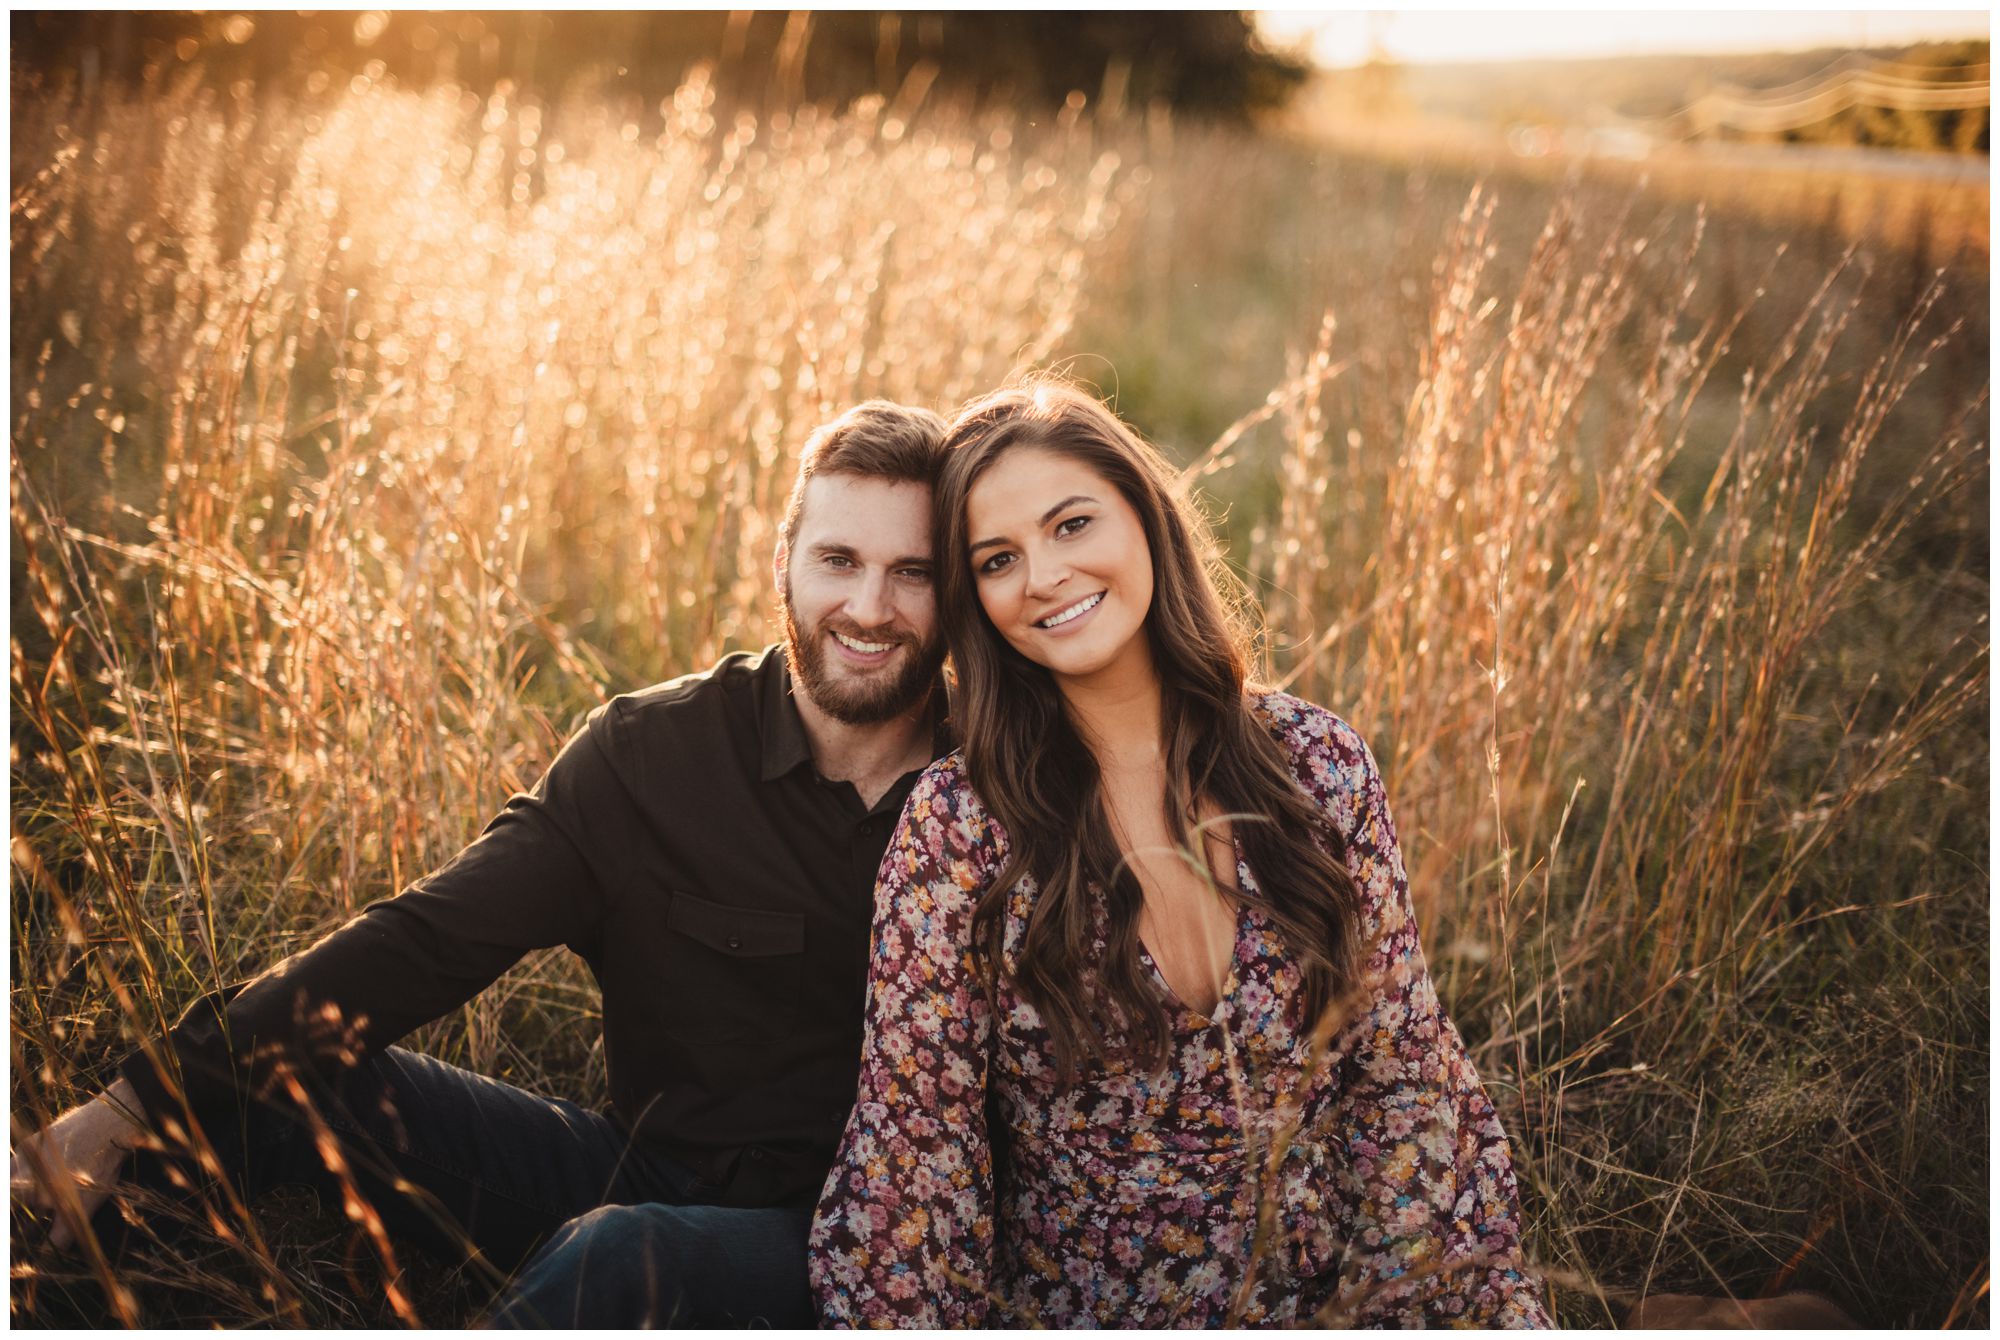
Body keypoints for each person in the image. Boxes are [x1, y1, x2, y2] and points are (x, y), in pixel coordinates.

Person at [11, 400, 955, 1328]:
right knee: (270, 1086)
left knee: (622, 1254)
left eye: (912, 572)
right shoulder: (653, 757)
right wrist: (134, 1101)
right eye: (839, 560)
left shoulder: (997, 799)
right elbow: (427, 943)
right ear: (782, 562)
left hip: (859, 1247)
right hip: (636, 1170)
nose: (869, 608)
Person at [810, 380, 1551, 1327]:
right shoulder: (960, 830)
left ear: (1146, 519)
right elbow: (916, 1165)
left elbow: (1403, 1078)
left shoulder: (1318, 765)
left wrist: (1412, 1299)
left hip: (1348, 1297)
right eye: (999, 559)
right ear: (976, 602)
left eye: (1072, 525)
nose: (1042, 576)